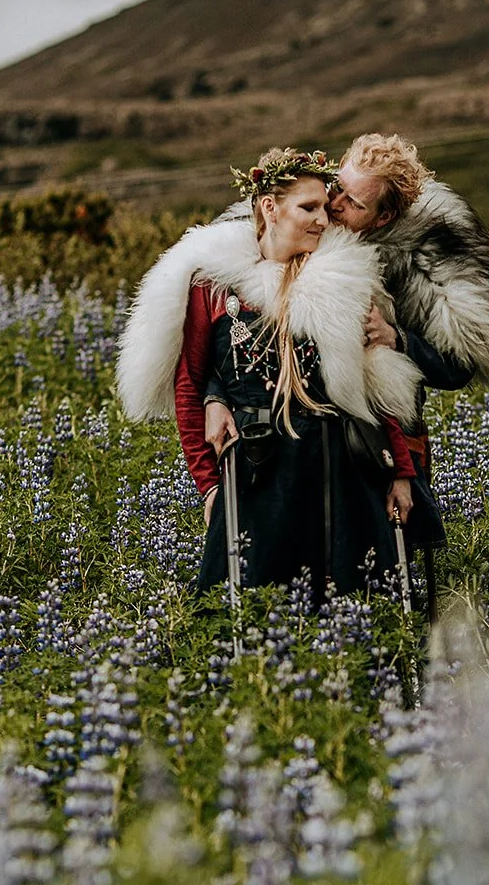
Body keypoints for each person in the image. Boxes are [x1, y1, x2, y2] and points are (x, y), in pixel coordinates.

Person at [206, 134, 489, 571]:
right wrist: (217, 395)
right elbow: (236, 338)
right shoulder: (294, 235)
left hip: (376, 440)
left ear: (383, 218)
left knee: (373, 571)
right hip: (295, 445)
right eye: (337, 186)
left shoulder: (416, 264)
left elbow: (460, 366)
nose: (334, 204)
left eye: (353, 202)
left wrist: (398, 339)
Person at [115, 146, 422, 600]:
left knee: (351, 607)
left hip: (337, 467)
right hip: (258, 471)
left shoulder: (339, 277)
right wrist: (207, 485)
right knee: (250, 609)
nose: (324, 218)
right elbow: (189, 386)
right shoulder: (213, 284)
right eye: (309, 207)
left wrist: (400, 470)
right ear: (269, 208)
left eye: (326, 206)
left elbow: (374, 383)